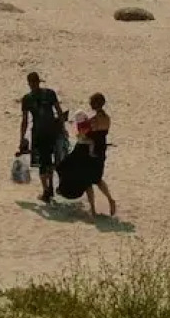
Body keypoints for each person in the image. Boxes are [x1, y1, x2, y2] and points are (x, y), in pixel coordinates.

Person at [58, 93, 117, 217]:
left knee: (87, 181)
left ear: (96, 104)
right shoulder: (107, 118)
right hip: (101, 149)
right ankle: (110, 200)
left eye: (91, 102)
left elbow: (83, 135)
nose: (90, 104)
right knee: (98, 179)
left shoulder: (93, 120)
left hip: (89, 152)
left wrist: (81, 133)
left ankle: (93, 209)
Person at [19, 72, 66, 204]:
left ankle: (46, 191)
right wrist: (63, 128)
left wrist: (22, 138)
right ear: (39, 81)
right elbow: (59, 111)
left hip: (39, 133)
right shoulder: (49, 93)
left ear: (29, 83)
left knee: (42, 163)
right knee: (51, 160)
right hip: (53, 130)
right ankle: (50, 186)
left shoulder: (27, 99)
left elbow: (25, 121)